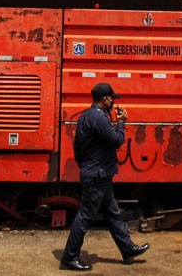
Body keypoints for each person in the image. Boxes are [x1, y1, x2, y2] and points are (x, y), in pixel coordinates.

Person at [59, 83, 150, 271]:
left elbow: (77, 149)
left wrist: (86, 165)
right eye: (112, 99)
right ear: (105, 99)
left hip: (97, 173)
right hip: (97, 175)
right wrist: (121, 122)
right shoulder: (100, 118)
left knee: (112, 213)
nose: (113, 102)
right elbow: (116, 140)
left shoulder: (85, 117)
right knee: (84, 216)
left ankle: (127, 249)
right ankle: (69, 257)